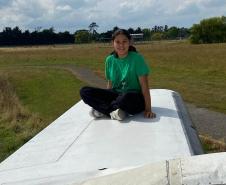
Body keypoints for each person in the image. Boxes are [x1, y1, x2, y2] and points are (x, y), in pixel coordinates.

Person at [80, 29, 156, 121]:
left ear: (130, 42)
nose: (121, 45)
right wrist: (106, 96)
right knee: (85, 91)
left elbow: (144, 86)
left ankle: (104, 110)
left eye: (124, 41)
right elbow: (110, 84)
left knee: (125, 97)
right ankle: (114, 112)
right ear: (113, 43)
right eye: (117, 42)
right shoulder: (109, 60)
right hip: (116, 95)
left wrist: (148, 109)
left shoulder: (137, 58)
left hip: (134, 98)